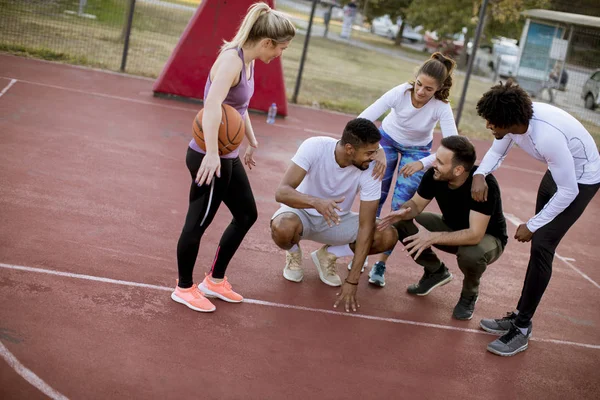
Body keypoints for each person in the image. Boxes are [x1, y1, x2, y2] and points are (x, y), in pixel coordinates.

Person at [171, 2, 295, 313]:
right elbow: (213, 107)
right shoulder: (231, 61)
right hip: (208, 156)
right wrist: (212, 154)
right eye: (281, 48)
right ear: (267, 42)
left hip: (227, 154)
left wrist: (251, 141)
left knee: (246, 215)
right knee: (197, 223)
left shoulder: (249, 61)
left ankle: (214, 280)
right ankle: (184, 288)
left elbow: (235, 111)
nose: (280, 54)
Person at [473, 81, 600, 356]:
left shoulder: (547, 137)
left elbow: (569, 191)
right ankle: (519, 314)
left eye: (491, 122)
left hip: (580, 180)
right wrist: (480, 174)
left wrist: (532, 224)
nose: (488, 127)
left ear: (508, 120)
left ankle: (521, 328)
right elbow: (497, 151)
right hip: (559, 174)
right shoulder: (512, 123)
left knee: (542, 244)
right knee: (538, 245)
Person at [270, 118, 399, 312]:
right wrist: (315, 202)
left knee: (386, 234)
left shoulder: (371, 169)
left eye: (376, 151)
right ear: (349, 149)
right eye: (369, 153)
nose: (374, 157)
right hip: (301, 214)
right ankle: (294, 253)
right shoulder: (315, 147)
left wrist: (352, 281)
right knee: (283, 227)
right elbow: (282, 192)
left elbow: (366, 226)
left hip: (335, 221)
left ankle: (328, 255)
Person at [354, 52, 458, 287]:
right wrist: (375, 148)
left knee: (399, 209)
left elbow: (453, 147)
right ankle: (360, 254)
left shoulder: (441, 106)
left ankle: (381, 263)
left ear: (439, 90)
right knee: (375, 198)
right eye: (419, 85)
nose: (421, 92)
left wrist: (423, 163)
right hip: (386, 140)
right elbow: (363, 119)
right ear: (415, 80)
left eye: (429, 89)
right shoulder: (400, 92)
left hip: (418, 151)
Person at [377, 136, 507, 320]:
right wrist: (402, 212)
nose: (434, 164)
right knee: (401, 222)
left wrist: (431, 237)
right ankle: (435, 271)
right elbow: (416, 205)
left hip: (487, 238)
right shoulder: (434, 175)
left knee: (472, 254)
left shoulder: (484, 185)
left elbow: (475, 235)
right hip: (451, 226)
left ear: (458, 169)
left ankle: (469, 295)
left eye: (440, 161)